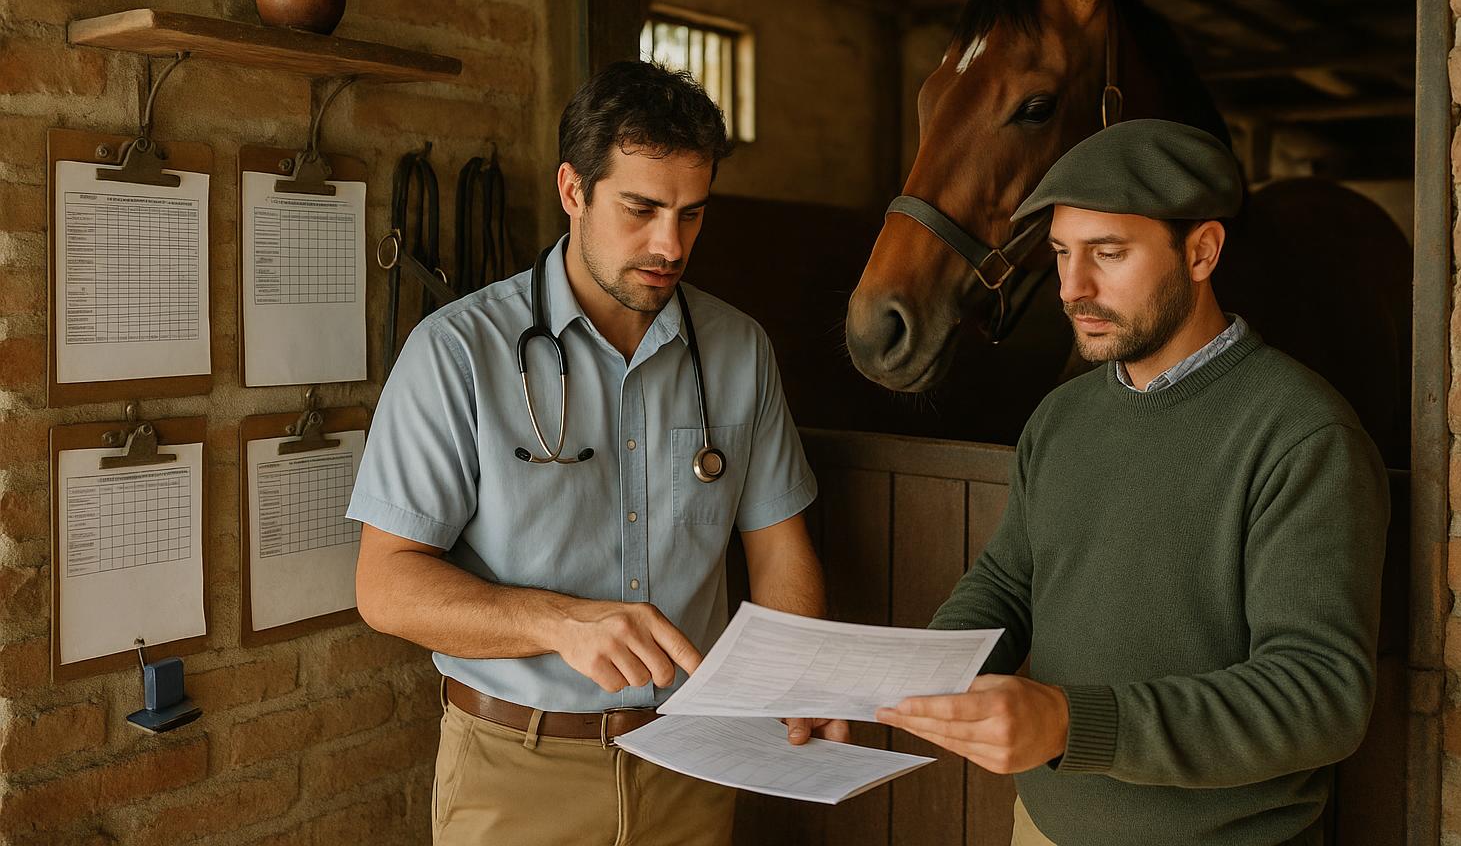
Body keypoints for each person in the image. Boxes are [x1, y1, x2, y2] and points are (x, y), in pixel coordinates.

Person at [348, 60, 844, 846]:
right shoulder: (457, 352)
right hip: (517, 768)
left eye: (691, 214)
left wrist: (800, 674)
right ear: (573, 190)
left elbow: (779, 548)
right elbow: (386, 586)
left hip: (694, 764)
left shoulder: (740, 350)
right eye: (641, 209)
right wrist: (563, 625)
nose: (669, 244)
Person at [876, 119, 1389, 846]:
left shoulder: (1302, 435)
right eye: (1061, 253)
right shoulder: (1061, 417)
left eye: (1108, 253)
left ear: (1202, 252)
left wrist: (1070, 723)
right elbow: (1008, 583)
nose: (1072, 288)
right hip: (1042, 828)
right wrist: (894, 686)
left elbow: (1321, 697)